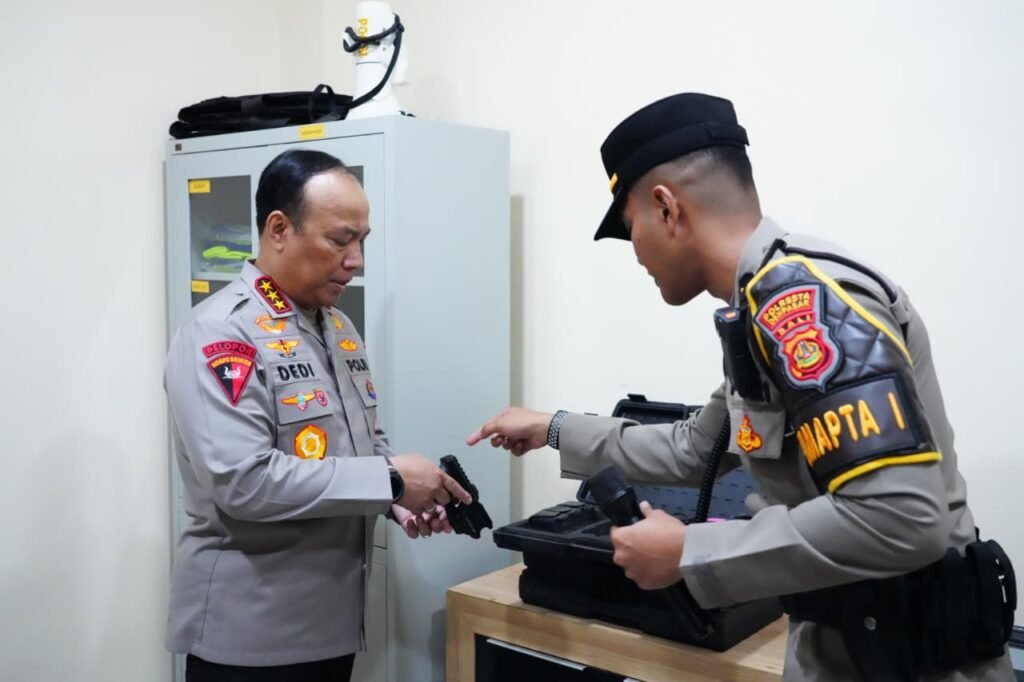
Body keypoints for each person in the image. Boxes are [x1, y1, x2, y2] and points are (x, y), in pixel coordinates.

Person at [467, 93, 1015, 681]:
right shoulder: (759, 308)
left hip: (911, 658)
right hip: (847, 642)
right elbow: (695, 450)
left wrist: (690, 553)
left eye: (630, 228)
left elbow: (900, 516)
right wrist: (551, 428)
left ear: (667, 207)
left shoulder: (802, 304)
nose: (637, 254)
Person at [165, 148, 472, 682]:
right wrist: (392, 479)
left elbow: (361, 441)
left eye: (362, 240)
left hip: (330, 624)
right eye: (340, 240)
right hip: (252, 637)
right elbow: (244, 482)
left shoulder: (337, 327)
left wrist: (396, 501)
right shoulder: (220, 333)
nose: (357, 259)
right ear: (279, 230)